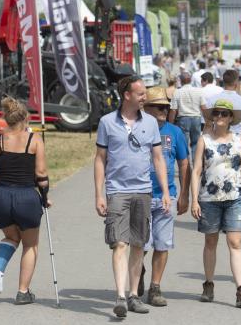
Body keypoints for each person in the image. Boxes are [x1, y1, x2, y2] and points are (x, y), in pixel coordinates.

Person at [94, 75, 171, 318]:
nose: (144, 97)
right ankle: (120, 296)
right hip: (117, 191)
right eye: (140, 94)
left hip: (143, 191)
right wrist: (99, 194)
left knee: (138, 244)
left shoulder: (150, 122)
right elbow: (100, 159)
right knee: (120, 243)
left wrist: (165, 191)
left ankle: (133, 295)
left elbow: (158, 158)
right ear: (127, 95)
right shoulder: (107, 122)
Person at [191, 99, 241, 308]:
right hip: (209, 198)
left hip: (234, 198)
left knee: (235, 242)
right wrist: (194, 200)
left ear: (231, 118)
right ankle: (208, 284)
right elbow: (196, 170)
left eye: (224, 114)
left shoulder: (239, 139)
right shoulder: (204, 139)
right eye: (216, 113)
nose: (220, 117)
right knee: (211, 242)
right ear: (212, 117)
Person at [0, 97, 50, 305]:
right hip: (26, 197)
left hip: (1, 196)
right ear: (25, 119)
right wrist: (45, 197)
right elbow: (41, 174)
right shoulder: (35, 140)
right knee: (30, 245)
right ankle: (23, 292)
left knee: (12, 237)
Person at [139, 87, 190, 306]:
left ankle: (155, 287)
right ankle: (137, 271)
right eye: (158, 107)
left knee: (162, 244)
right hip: (141, 195)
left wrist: (184, 194)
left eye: (166, 107)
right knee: (140, 245)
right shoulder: (137, 129)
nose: (164, 111)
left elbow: (184, 163)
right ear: (145, 108)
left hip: (166, 197)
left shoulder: (175, 132)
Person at [202, 69, 241, 136]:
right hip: (237, 138)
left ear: (223, 82)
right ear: (236, 83)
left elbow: (208, 125)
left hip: (217, 137)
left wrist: (204, 139)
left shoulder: (212, 99)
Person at [169, 71, 203, 157]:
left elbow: (173, 110)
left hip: (183, 119)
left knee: (183, 144)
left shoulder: (177, 92)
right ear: (190, 80)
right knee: (196, 143)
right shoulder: (198, 91)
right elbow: (203, 106)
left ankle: (186, 164)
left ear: (181, 80)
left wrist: (170, 124)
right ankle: (196, 163)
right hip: (196, 118)